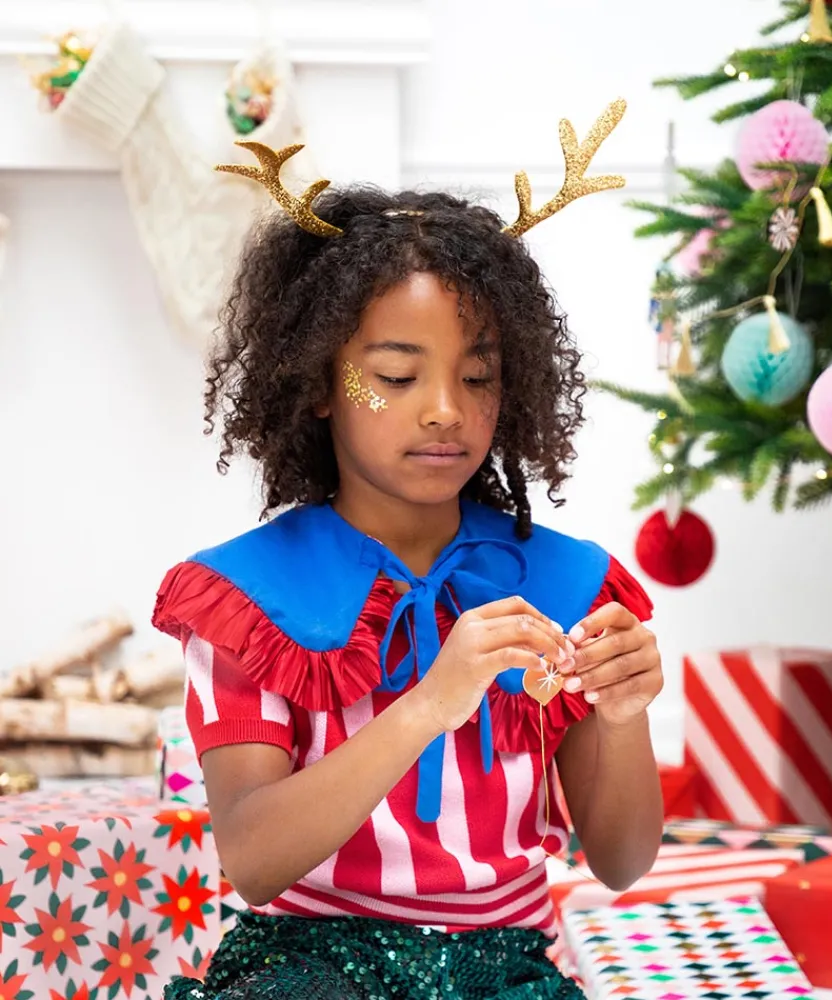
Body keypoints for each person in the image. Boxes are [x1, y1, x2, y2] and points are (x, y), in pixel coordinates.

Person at [152, 101, 664, 999]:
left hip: (504, 971)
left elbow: (621, 860)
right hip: (309, 968)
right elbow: (253, 859)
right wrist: (431, 703)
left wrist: (623, 714)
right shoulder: (249, 599)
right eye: (395, 376)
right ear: (321, 384)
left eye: (478, 376)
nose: (444, 409)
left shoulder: (570, 585)